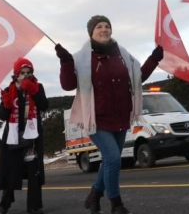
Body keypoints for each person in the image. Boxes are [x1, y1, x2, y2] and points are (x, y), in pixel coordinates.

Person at [57, 15, 163, 214]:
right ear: (91, 32)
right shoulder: (81, 57)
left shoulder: (122, 54)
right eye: (99, 26)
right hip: (96, 118)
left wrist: (154, 58)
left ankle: (95, 195)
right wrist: (65, 61)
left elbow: (138, 78)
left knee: (108, 160)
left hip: (121, 115)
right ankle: (116, 204)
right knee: (114, 158)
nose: (104, 29)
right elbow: (68, 84)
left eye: (107, 26)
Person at [0, 58, 49, 214]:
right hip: (13, 135)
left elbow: (44, 106)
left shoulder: (38, 87)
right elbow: (3, 116)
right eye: (22, 73)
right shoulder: (8, 89)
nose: (26, 75)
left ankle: (34, 205)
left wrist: (33, 91)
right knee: (11, 168)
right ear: (16, 74)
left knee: (34, 170)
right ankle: (6, 201)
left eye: (29, 72)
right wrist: (5, 105)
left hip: (32, 135)